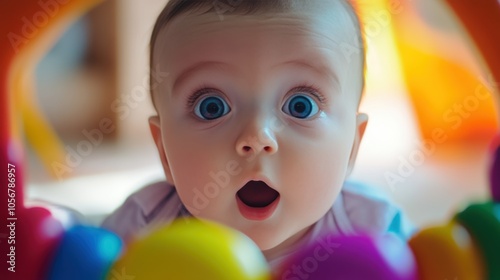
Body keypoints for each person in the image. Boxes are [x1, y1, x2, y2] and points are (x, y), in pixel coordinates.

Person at [102, 0, 414, 269]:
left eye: (300, 106)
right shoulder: (140, 232)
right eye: (211, 107)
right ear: (163, 150)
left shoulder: (376, 234)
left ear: (352, 148)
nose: (256, 137)